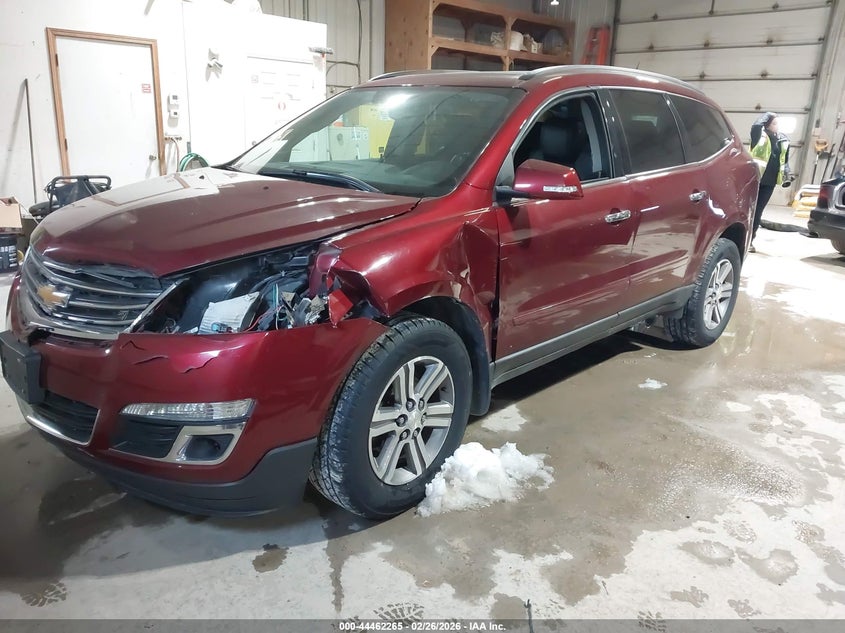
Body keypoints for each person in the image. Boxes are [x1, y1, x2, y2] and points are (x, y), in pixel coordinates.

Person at [749, 112, 792, 252]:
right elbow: (756, 125)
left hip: (769, 183)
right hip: (754, 179)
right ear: (767, 124)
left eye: (778, 123)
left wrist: (787, 173)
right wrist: (768, 114)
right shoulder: (759, 136)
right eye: (774, 123)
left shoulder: (784, 140)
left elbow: (784, 161)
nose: (777, 126)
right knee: (748, 210)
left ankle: (750, 241)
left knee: (758, 212)